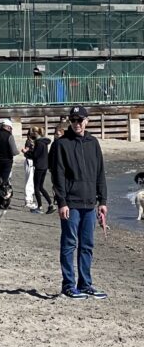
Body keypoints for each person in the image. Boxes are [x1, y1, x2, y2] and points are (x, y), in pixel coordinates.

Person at [51, 105, 108, 300]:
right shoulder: (61, 144)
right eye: (73, 120)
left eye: (80, 120)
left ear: (86, 121)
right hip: (71, 203)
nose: (77, 123)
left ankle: (85, 284)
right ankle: (68, 285)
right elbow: (57, 175)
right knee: (69, 243)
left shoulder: (93, 143)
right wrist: (62, 202)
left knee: (87, 245)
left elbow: (100, 172)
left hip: (90, 203)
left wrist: (103, 200)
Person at [31, 126, 54, 215]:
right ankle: (51, 204)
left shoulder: (39, 143)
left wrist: (26, 152)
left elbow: (35, 155)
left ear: (36, 133)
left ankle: (40, 207)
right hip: (44, 166)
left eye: (33, 132)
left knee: (36, 187)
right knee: (41, 186)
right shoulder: (44, 142)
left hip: (39, 167)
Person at [21, 126, 38, 211]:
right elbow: (26, 149)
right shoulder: (29, 141)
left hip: (32, 161)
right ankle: (28, 201)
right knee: (29, 181)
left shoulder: (34, 141)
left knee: (31, 181)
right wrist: (25, 151)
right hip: (29, 161)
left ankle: (29, 199)